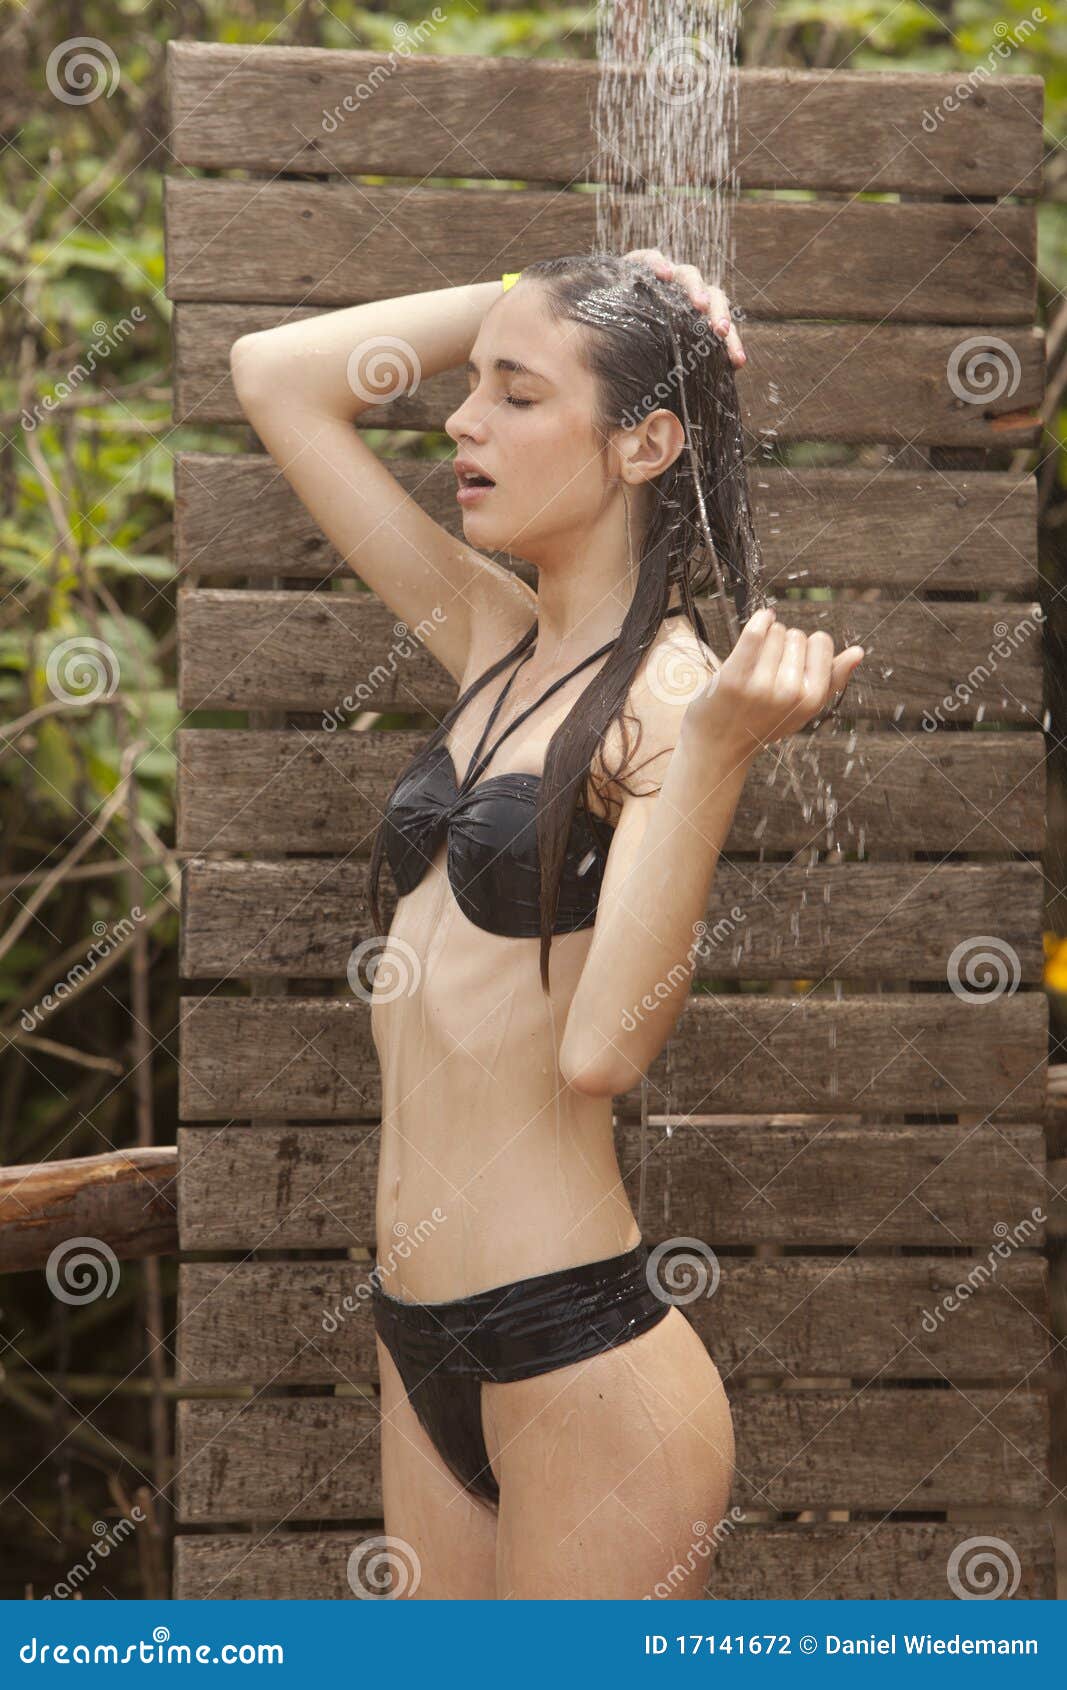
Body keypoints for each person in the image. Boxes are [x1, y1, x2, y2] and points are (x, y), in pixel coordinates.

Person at [229, 247, 865, 1599]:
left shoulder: (674, 698)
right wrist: (545, 289)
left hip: (575, 1351)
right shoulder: (492, 638)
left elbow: (603, 1051)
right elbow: (274, 377)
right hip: (417, 1335)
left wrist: (714, 756)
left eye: (515, 396)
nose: (461, 421)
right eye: (472, 390)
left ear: (647, 444)